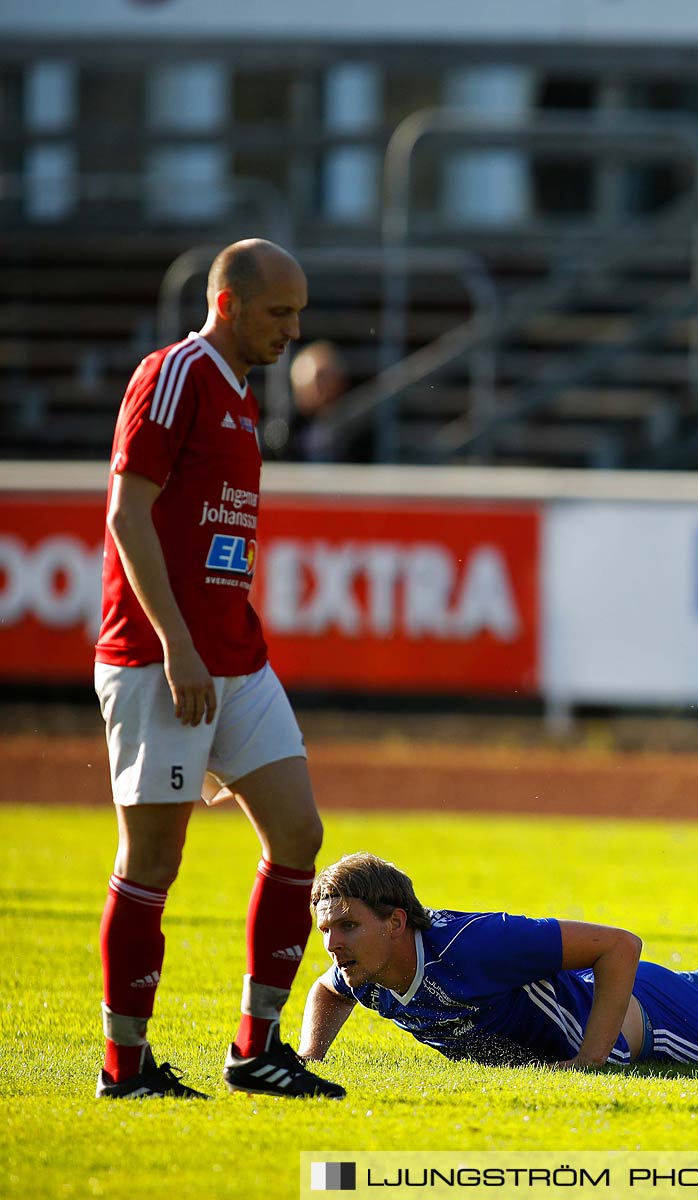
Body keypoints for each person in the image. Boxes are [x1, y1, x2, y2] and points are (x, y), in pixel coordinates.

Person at [93, 238, 344, 1100]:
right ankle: (123, 1067)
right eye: (280, 312)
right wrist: (177, 644)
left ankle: (255, 1049)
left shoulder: (241, 394)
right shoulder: (177, 373)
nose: (294, 329)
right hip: (164, 662)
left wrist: (218, 643)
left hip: (235, 657)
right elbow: (128, 514)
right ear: (228, 303)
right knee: (154, 861)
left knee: (299, 835)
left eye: (299, 313)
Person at [296, 854, 698, 1070]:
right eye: (326, 928)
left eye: (347, 926)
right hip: (608, 996)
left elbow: (619, 945)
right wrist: (310, 1057)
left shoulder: (474, 947)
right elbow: (327, 994)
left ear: (397, 922)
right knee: (677, 990)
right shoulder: (364, 970)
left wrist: (589, 1062)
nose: (333, 943)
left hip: (643, 1018)